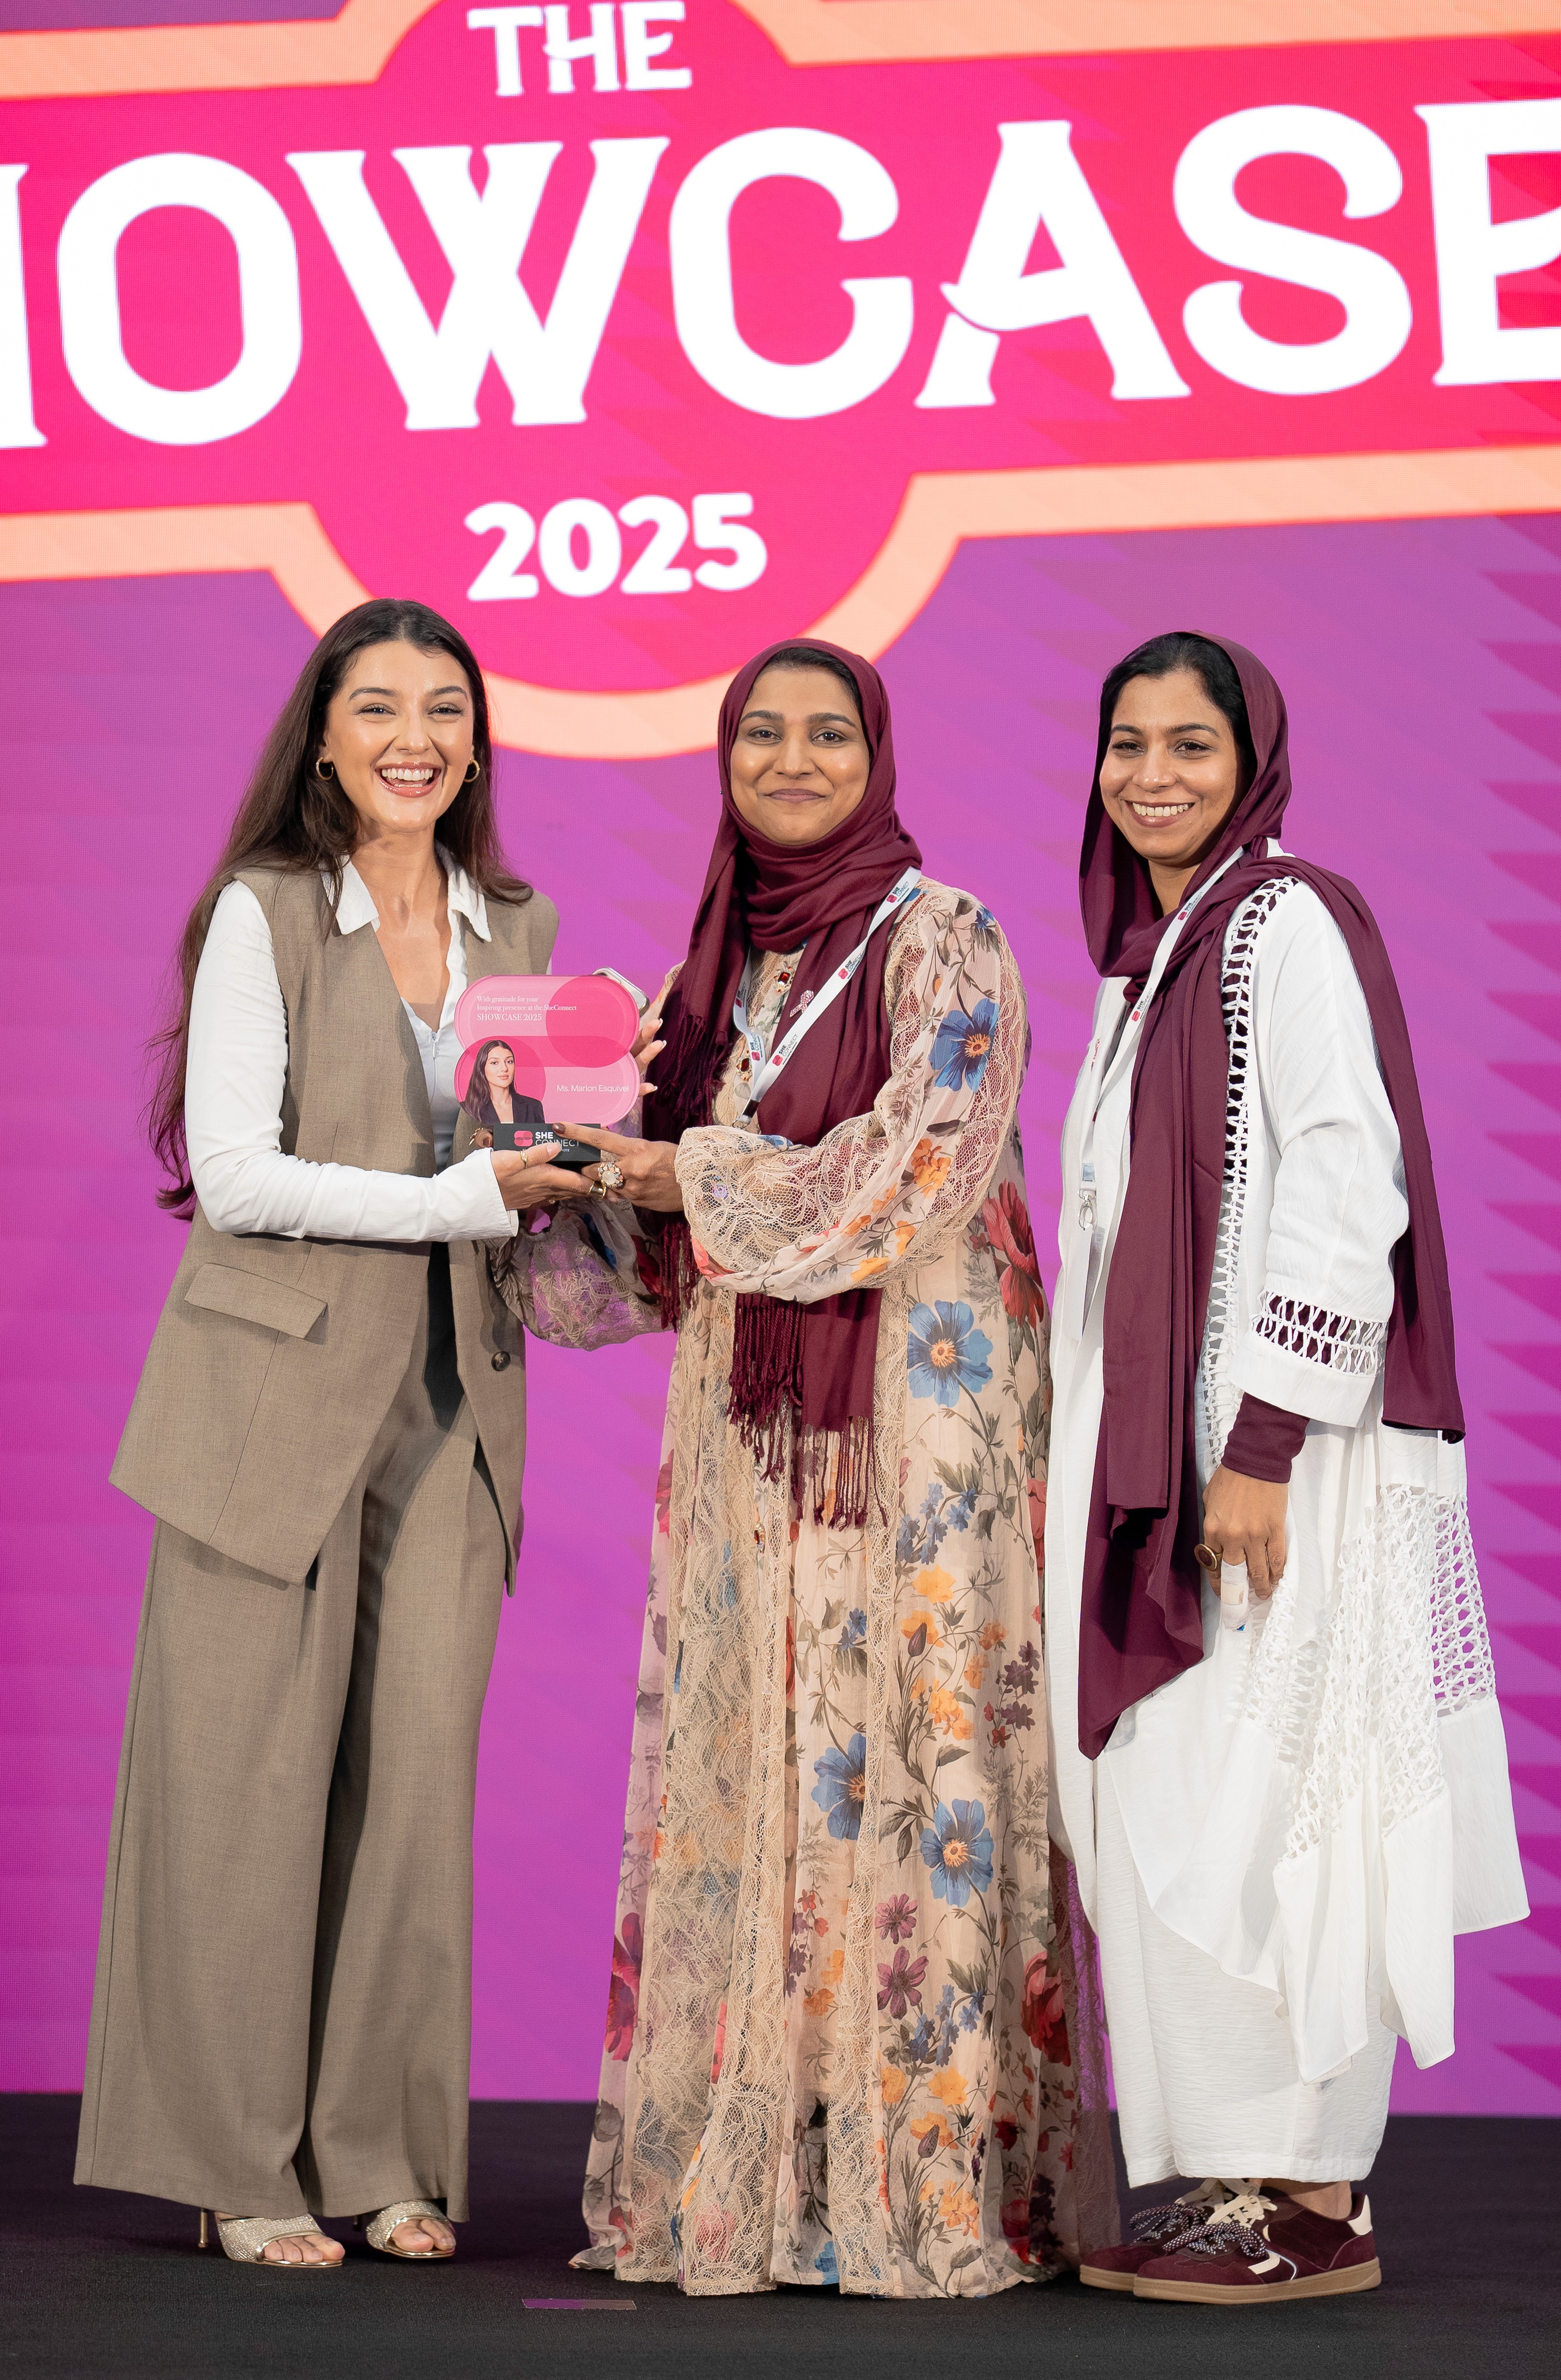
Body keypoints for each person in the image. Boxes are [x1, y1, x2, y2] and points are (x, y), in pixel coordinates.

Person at [508, 637, 1116, 2297]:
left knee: (912, 1755)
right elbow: (632, 1280)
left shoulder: (948, 937)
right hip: (751, 1445)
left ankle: (921, 2180)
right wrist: (548, 1159)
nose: (788, 757)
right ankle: (764, 2178)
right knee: (765, 1758)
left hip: (924, 1429)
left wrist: (679, 1164)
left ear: (876, 751)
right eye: (758, 732)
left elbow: (916, 1163)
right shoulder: (710, 980)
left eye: (823, 730)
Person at [76, 598, 590, 2267]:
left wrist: (606, 1146)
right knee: (246, 1784)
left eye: (445, 707)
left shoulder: (522, 927)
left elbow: (534, 1185)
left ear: (476, 739)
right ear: (323, 734)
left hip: (457, 1399)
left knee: (413, 1797)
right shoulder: (265, 908)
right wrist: (456, 1193)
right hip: (267, 1400)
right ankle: (241, 2165)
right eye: (378, 706)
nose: (414, 736)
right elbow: (236, 1174)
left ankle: (377, 2152)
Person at [1042, 632, 1528, 2305]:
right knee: (1176, 1797)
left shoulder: (1280, 922)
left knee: (1271, 1801)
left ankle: (1314, 2193)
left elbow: (1343, 1184)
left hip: (1267, 1462)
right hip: (1155, 1450)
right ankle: (1231, 2175)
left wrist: (1252, 1443)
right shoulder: (1157, 954)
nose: (1152, 772)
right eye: (1126, 742)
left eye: (1189, 741)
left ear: (1252, 757)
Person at [465, 1037, 548, 1149]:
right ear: (482, 1068)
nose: (504, 1068)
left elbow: (542, 1150)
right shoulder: (470, 1108)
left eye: (509, 1062)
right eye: (495, 1063)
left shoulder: (534, 1106)